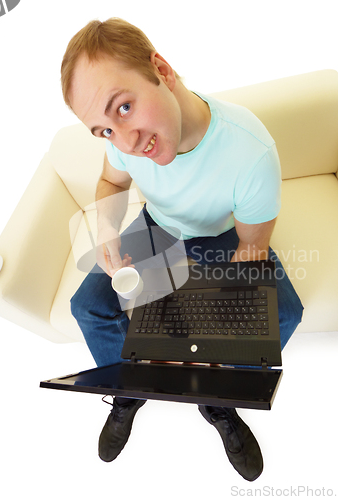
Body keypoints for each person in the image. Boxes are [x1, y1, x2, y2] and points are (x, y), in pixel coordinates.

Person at [61, 18, 303, 482]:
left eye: (125, 107)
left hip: (224, 238)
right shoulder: (125, 142)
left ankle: (219, 402)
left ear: (161, 69)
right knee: (87, 306)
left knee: (284, 315)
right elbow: (113, 180)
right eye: (103, 130)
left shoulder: (249, 150)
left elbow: (252, 247)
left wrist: (202, 329)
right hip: (158, 228)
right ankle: (131, 389)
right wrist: (108, 230)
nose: (125, 140)